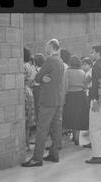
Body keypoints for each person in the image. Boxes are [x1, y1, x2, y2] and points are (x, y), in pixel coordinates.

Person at [21, 39, 65, 167]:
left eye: (46, 45)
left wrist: (42, 79)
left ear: (51, 46)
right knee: (56, 128)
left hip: (48, 100)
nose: (45, 47)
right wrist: (44, 79)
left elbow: (38, 77)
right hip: (58, 99)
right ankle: (54, 154)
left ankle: (37, 159)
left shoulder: (50, 60)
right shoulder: (60, 60)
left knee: (42, 129)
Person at [62, 56, 89, 145]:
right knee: (78, 117)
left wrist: (64, 96)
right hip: (80, 95)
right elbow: (85, 85)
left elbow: (65, 86)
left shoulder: (67, 72)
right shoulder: (82, 72)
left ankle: (74, 137)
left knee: (72, 117)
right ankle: (76, 137)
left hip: (70, 95)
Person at [23, 47, 36, 151]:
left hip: (22, 92)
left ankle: (24, 144)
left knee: (23, 119)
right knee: (28, 121)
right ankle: (27, 144)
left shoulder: (23, 66)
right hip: (29, 92)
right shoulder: (31, 66)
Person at [32, 53, 45, 122]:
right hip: (44, 89)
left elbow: (31, 80)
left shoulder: (35, 70)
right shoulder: (45, 69)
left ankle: (39, 124)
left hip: (36, 89)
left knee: (37, 108)